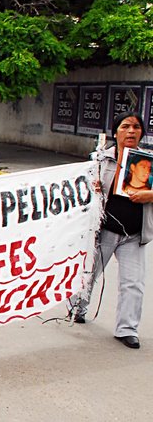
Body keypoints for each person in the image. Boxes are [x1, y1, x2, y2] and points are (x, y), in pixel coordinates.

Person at [72, 112, 153, 349]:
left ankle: (127, 329)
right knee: (89, 274)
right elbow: (80, 189)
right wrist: (92, 187)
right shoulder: (100, 160)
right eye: (125, 126)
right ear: (115, 131)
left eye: (136, 127)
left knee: (133, 283)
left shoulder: (148, 161)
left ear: (141, 133)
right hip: (104, 230)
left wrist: (150, 194)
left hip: (134, 235)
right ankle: (77, 308)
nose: (131, 131)